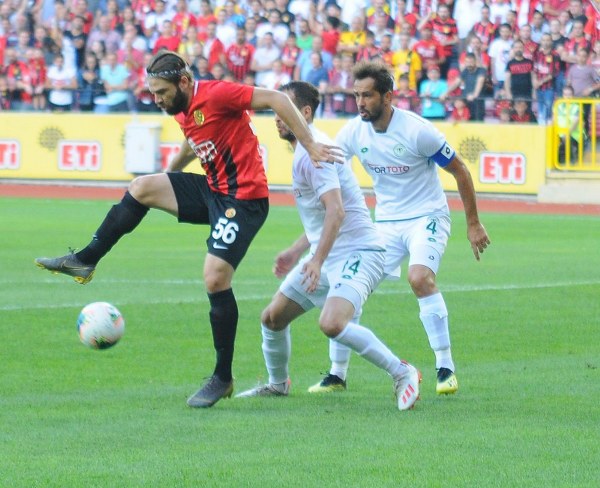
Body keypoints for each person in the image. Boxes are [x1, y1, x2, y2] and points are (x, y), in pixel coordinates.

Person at [34, 51, 342, 409]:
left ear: (183, 82)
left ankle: (223, 377)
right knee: (142, 187)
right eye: (152, 92)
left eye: (161, 91)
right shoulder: (181, 107)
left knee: (214, 278)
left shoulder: (217, 94)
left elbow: (276, 98)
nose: (157, 99)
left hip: (243, 199)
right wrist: (171, 173)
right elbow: (195, 139)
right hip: (213, 190)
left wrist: (309, 143)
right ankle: (84, 261)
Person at [235, 80, 421, 411]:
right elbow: (325, 217)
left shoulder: (314, 152)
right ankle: (278, 385)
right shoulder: (308, 150)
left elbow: (337, 211)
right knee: (273, 318)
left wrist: (316, 260)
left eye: (285, 109)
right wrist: (297, 251)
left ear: (304, 113)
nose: (277, 117)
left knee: (332, 324)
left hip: (360, 253)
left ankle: (402, 372)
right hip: (330, 251)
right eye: (276, 110)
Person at [308, 61, 490, 395]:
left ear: (388, 96)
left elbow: (460, 170)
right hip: (385, 224)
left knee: (420, 278)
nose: (360, 103)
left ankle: (445, 368)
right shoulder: (352, 132)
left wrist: (474, 223)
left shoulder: (417, 130)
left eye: (368, 96)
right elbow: (329, 167)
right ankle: (337, 374)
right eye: (356, 95)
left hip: (427, 217)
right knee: (350, 284)